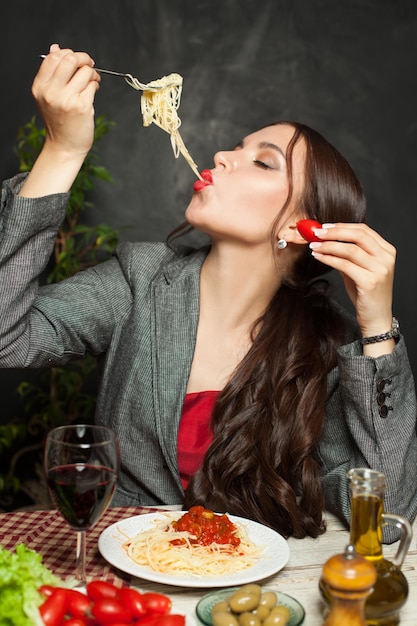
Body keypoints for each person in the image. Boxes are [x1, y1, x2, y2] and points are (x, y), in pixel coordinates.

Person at [1, 45, 416, 540]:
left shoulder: (324, 347)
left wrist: (376, 330)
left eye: (262, 162)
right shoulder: (139, 281)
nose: (223, 155)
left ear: (300, 227)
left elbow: (385, 522)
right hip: (130, 581)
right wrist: (62, 150)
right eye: (237, 147)